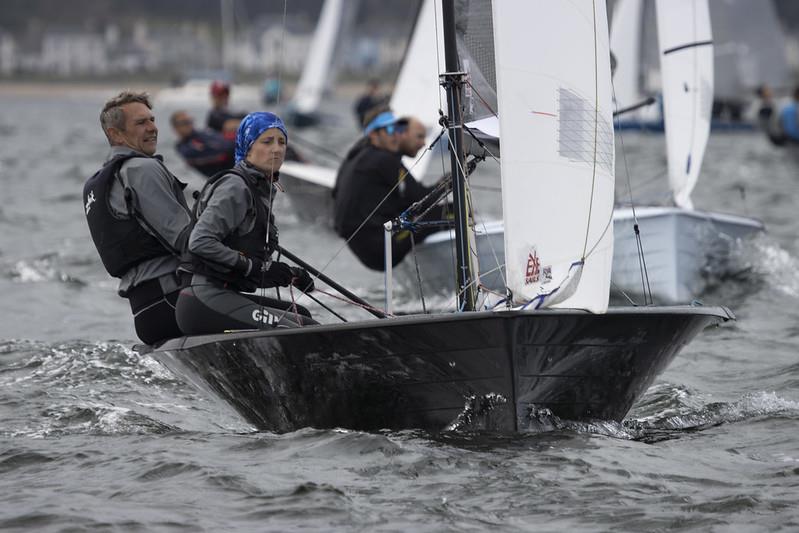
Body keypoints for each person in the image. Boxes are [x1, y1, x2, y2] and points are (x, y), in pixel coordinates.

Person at [176, 112, 317, 335]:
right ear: (248, 147)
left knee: (304, 318)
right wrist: (255, 267)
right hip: (203, 299)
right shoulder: (236, 186)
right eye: (267, 141)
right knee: (305, 332)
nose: (277, 149)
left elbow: (244, 260)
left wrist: (288, 273)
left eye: (282, 142)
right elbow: (200, 242)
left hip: (225, 294)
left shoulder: (259, 188)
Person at [83, 91, 193, 345]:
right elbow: (188, 241)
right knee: (296, 316)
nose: (153, 128)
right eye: (141, 123)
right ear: (115, 133)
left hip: (146, 315)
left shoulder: (96, 184)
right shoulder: (142, 168)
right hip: (177, 303)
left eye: (152, 120)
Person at [333, 108, 442, 271]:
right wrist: (448, 182)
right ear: (373, 135)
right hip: (381, 249)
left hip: (363, 246)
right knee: (451, 211)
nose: (397, 135)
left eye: (397, 129)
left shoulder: (356, 155)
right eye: (390, 130)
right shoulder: (384, 159)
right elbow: (422, 200)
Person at [170, 110, 235, 178]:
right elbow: (216, 151)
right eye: (184, 122)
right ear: (175, 127)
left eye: (190, 121)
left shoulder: (204, 134)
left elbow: (224, 144)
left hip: (233, 167)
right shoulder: (183, 147)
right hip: (223, 176)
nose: (189, 124)